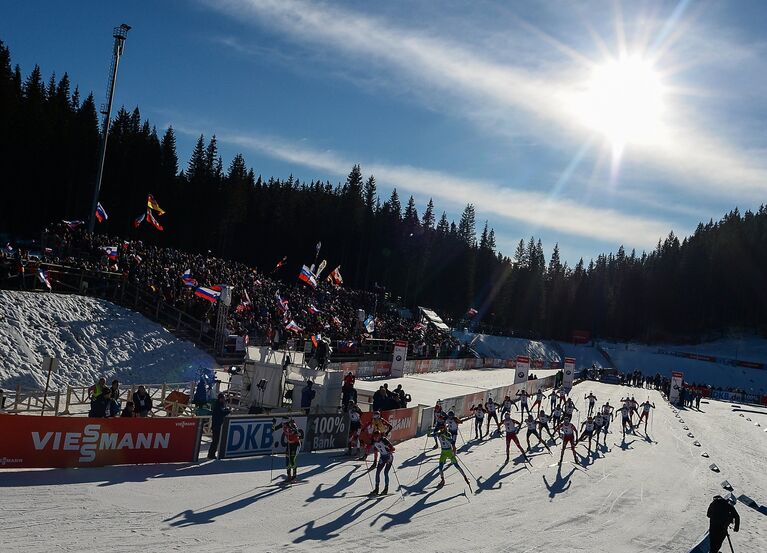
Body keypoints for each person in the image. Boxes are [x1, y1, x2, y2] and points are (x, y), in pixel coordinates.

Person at [272, 416, 303, 482]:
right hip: (289, 444)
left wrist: (291, 428)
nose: (283, 424)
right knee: (287, 461)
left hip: (296, 444)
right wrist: (274, 423)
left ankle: (294, 476)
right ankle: (289, 476)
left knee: (292, 461)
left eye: (284, 422)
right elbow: (273, 429)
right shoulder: (283, 425)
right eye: (282, 422)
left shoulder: (292, 424)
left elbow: (297, 432)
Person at [369, 431, 395, 495]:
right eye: (374, 437)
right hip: (382, 457)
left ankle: (386, 489)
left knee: (385, 472)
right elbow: (374, 448)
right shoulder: (374, 441)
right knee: (377, 472)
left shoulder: (384, 440)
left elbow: (393, 448)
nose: (375, 438)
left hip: (389, 457)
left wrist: (389, 450)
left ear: (379, 436)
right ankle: (376, 489)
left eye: (377, 437)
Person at [208, 393, 230, 459]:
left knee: (216, 441)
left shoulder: (219, 405)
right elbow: (221, 413)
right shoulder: (217, 405)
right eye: (223, 398)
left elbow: (222, 412)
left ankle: (212, 454)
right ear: (220, 399)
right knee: (215, 441)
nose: (224, 400)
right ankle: (211, 454)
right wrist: (227, 411)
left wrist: (226, 410)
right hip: (216, 426)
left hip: (218, 425)